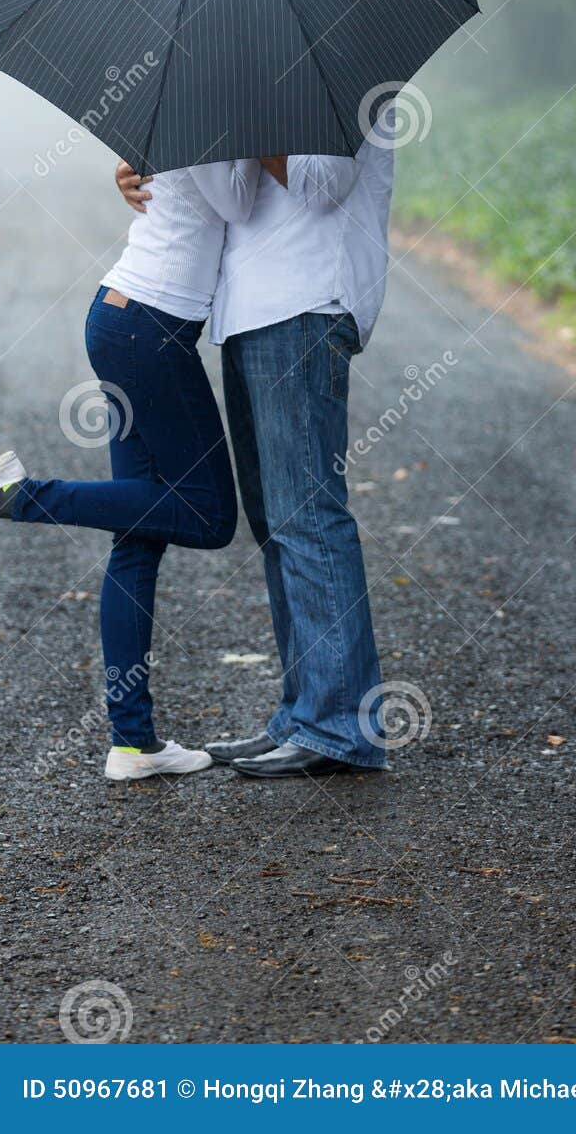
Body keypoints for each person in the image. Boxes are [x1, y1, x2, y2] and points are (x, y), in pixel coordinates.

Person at [0, 160, 259, 782]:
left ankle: (133, 743)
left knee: (138, 537)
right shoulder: (212, 127)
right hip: (148, 329)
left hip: (131, 321)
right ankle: (18, 496)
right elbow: (237, 204)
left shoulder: (193, 123)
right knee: (207, 517)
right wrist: (255, 155)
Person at [116, 112, 396, 779]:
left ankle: (339, 728)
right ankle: (301, 715)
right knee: (276, 522)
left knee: (308, 516)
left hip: (307, 303)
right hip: (252, 308)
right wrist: (160, 165)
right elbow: (234, 198)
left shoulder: (331, 80)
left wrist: (253, 115)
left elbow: (323, 184)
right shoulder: (256, 82)